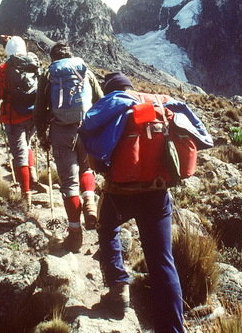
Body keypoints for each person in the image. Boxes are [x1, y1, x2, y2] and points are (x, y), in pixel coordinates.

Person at [79, 72, 212, 333]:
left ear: (110, 90)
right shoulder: (160, 103)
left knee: (107, 229)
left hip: (122, 191)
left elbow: (87, 126)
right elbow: (200, 135)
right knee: (162, 260)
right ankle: (173, 328)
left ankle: (118, 288)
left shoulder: (115, 100)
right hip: (158, 191)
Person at [34, 42, 103, 252]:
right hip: (86, 128)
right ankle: (90, 203)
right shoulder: (85, 70)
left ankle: (75, 235)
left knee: (69, 183)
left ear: (53, 58)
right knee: (86, 168)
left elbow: (39, 109)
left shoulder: (49, 74)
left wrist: (42, 135)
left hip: (61, 132)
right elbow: (101, 100)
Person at [0, 36, 39, 209]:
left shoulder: (4, 68)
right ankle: (33, 178)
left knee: (20, 154)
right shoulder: (33, 63)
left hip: (13, 116)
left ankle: (26, 196)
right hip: (32, 114)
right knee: (28, 144)